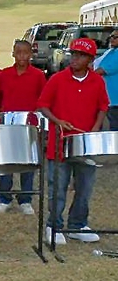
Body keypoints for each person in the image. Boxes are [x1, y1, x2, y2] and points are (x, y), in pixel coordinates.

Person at [37, 38, 108, 245]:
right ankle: (54, 225)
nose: (74, 58)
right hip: (59, 144)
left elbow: (103, 106)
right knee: (57, 187)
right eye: (73, 54)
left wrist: (94, 130)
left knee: (85, 187)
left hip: (86, 144)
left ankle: (77, 225)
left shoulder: (97, 81)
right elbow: (42, 105)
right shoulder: (57, 79)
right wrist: (58, 121)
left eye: (80, 55)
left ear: (90, 60)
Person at [0, 40, 47, 215]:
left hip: (28, 125)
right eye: (18, 52)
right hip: (8, 124)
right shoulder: (5, 74)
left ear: (31, 54)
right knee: (7, 162)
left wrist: (36, 114)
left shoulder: (37, 75)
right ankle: (4, 198)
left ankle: (26, 199)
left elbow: (45, 99)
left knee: (28, 162)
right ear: (13, 53)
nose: (22, 56)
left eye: (25, 52)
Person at [95, 30, 118, 130]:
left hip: (115, 100)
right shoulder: (111, 51)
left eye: (115, 37)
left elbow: (102, 70)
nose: (111, 39)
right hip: (109, 99)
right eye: (110, 37)